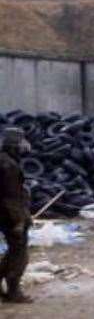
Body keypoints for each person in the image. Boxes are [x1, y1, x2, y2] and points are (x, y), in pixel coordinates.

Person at [0, 127, 33, 303]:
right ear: (14, 145)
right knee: (19, 254)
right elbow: (11, 197)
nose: (25, 146)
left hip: (4, 214)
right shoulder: (9, 166)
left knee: (13, 251)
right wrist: (19, 221)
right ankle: (13, 291)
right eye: (21, 142)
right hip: (10, 217)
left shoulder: (4, 161)